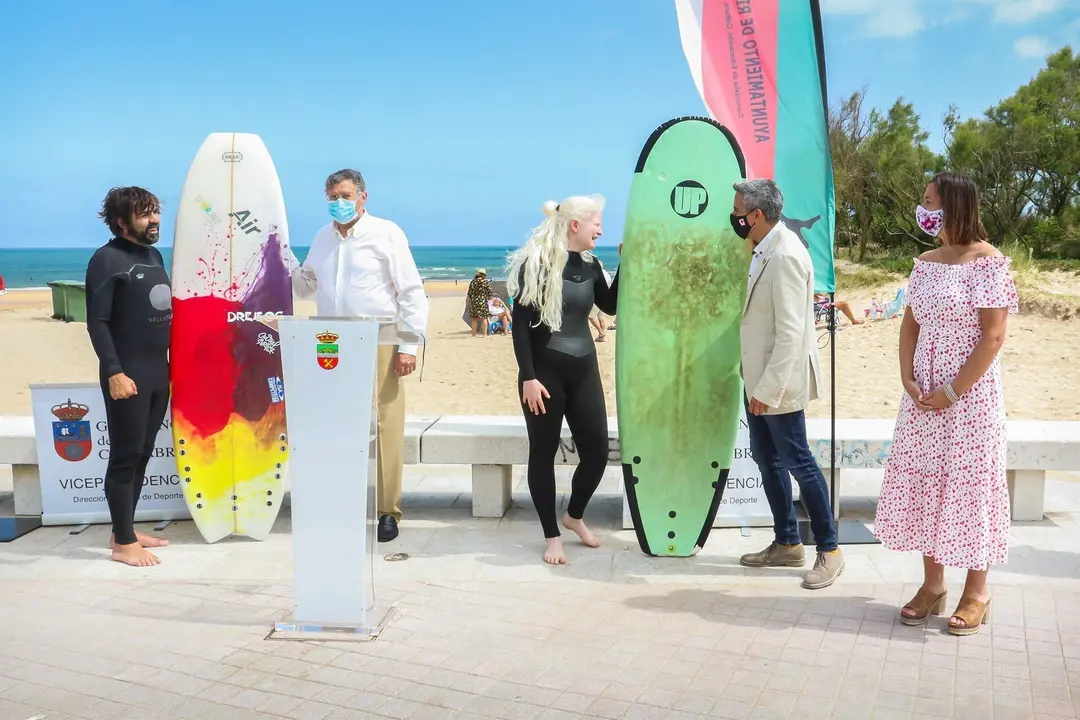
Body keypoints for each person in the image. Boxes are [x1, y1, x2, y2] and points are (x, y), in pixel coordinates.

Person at [874, 172, 1017, 636]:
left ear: (955, 205)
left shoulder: (988, 263)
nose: (924, 207)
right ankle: (932, 585)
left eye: (930, 200)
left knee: (972, 486)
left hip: (970, 397)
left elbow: (993, 338)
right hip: (924, 395)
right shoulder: (926, 262)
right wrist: (908, 377)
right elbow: (910, 324)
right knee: (929, 482)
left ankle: (977, 592)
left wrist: (953, 390)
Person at [290, 169, 429, 543]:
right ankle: (341, 502)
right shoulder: (322, 238)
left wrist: (409, 345)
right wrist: (282, 257)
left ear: (363, 197)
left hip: (380, 337)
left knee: (385, 423)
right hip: (331, 340)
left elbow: (412, 293)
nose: (339, 201)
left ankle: (388, 510)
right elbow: (305, 288)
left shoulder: (386, 233)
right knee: (336, 421)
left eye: (346, 194)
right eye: (332, 195)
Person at [732, 178, 845, 590]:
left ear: (756, 215)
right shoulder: (765, 248)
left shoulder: (787, 255)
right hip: (758, 377)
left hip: (778, 381)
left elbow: (792, 331)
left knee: (799, 462)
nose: (736, 219)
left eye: (738, 212)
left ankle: (830, 550)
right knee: (768, 460)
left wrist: (768, 389)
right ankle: (787, 542)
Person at [507, 196, 619, 565]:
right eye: (596, 223)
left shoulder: (591, 264)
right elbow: (521, 327)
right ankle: (552, 535)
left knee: (598, 452)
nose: (601, 230)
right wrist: (528, 377)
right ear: (576, 225)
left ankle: (573, 516)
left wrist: (628, 263)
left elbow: (611, 304)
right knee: (542, 454)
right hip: (544, 375)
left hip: (584, 369)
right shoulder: (536, 264)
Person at [85, 186, 173, 567]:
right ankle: (123, 543)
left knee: (142, 454)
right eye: (144, 215)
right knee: (124, 457)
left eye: (155, 213)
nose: (154, 221)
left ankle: (126, 528)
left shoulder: (151, 254)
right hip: (128, 372)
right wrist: (114, 372)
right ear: (122, 222)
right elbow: (98, 322)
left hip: (158, 371)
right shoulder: (106, 260)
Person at [466, 268, 494, 337]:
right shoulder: (485, 282)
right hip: (483, 302)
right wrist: (489, 298)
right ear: (484, 275)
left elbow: (469, 293)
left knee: (474, 319)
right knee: (484, 318)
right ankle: (484, 335)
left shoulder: (473, 282)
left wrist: (468, 300)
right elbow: (490, 293)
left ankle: (473, 334)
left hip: (474, 302)